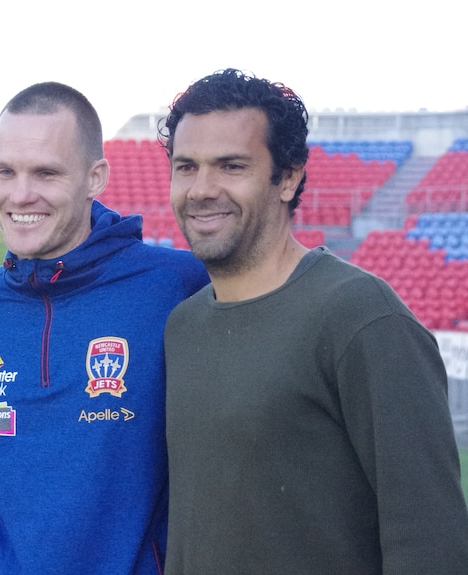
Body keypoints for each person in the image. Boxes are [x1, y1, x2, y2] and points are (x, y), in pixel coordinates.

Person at [160, 68, 468, 574]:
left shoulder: (361, 318)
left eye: (231, 166)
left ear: (288, 177)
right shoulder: (183, 326)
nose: (201, 189)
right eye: (186, 167)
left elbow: (431, 541)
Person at [0, 81, 210, 574]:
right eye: (5, 171)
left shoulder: (176, 285)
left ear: (95, 178)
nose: (20, 193)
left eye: (46, 172)